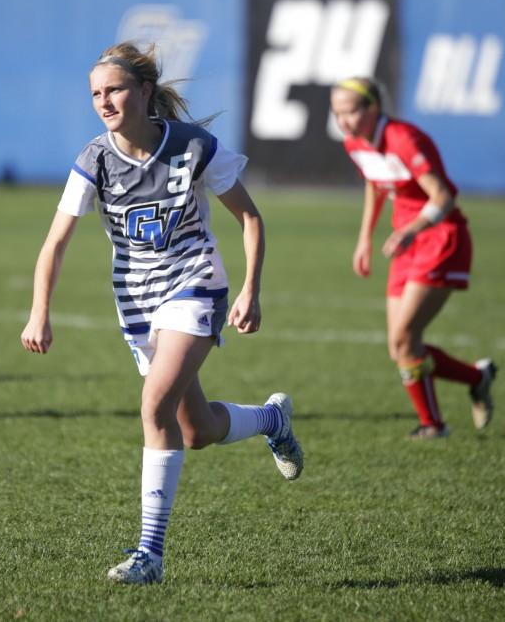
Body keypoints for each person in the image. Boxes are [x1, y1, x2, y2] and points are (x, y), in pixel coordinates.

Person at [21, 42, 304, 586]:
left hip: (196, 287)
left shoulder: (195, 146)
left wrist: (250, 289)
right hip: (136, 304)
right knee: (194, 430)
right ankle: (272, 419)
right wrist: (40, 312)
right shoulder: (94, 160)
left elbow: (249, 217)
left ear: (145, 91)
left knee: (154, 405)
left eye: (115, 89)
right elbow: (55, 242)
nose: (104, 101)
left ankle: (150, 555)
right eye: (96, 94)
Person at [330, 77, 496, 440]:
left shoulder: (404, 138)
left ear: (374, 108)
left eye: (351, 111)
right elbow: (376, 183)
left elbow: (444, 196)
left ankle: (433, 425)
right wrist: (364, 240)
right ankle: (476, 380)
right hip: (406, 243)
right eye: (337, 112)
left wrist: (411, 229)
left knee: (405, 338)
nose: (343, 120)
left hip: (440, 237)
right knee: (400, 345)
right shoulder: (354, 142)